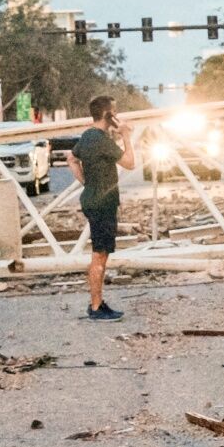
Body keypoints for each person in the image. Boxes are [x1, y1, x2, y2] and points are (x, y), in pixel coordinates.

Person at [67, 95, 136, 322]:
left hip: (91, 199)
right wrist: (126, 136)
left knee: (100, 253)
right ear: (108, 115)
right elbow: (129, 162)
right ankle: (96, 306)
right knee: (100, 255)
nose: (117, 115)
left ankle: (97, 302)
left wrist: (85, 181)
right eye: (115, 111)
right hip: (102, 204)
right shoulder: (100, 139)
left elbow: (71, 158)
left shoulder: (87, 136)